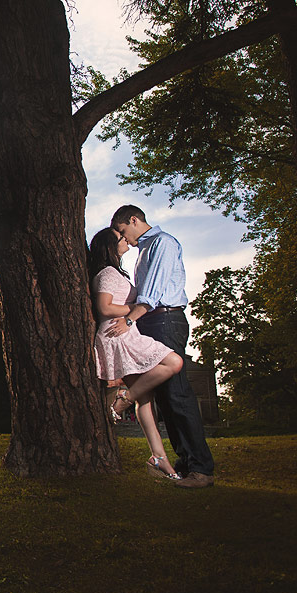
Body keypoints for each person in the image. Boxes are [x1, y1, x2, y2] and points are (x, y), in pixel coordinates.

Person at [109, 205, 215, 489]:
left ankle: (202, 469)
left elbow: (152, 293)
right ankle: (186, 462)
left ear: (133, 220)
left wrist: (129, 321)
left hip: (166, 319)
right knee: (167, 396)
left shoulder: (162, 243)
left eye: (122, 231)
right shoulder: (144, 251)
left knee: (177, 392)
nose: (124, 238)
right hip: (153, 321)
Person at [88, 228, 185, 481]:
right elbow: (104, 307)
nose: (126, 241)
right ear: (110, 246)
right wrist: (137, 308)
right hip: (118, 335)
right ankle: (123, 400)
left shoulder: (114, 272)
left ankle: (159, 458)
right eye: (120, 239)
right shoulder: (108, 273)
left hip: (124, 333)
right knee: (173, 362)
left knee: (147, 397)